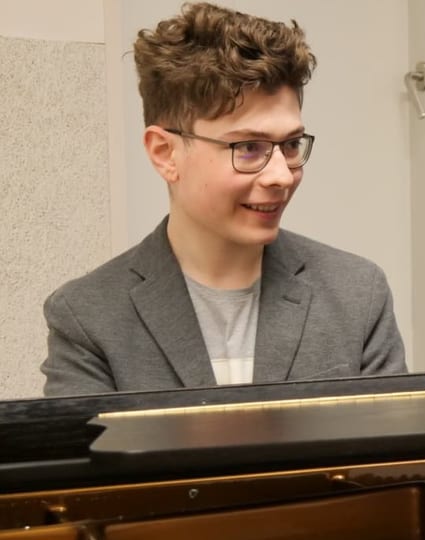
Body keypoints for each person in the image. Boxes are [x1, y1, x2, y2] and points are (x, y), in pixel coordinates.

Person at [41, 2, 406, 396]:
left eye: (291, 144)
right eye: (248, 148)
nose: (282, 175)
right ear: (165, 154)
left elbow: (390, 454)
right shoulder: (88, 317)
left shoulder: (357, 294)